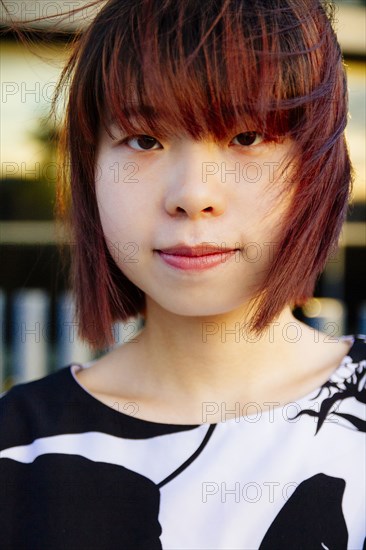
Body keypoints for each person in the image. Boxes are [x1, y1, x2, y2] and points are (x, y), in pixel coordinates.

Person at [1, 0, 365, 548]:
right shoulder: (18, 448)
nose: (193, 195)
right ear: (91, 167)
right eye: (144, 140)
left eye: (247, 137)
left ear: (316, 167)